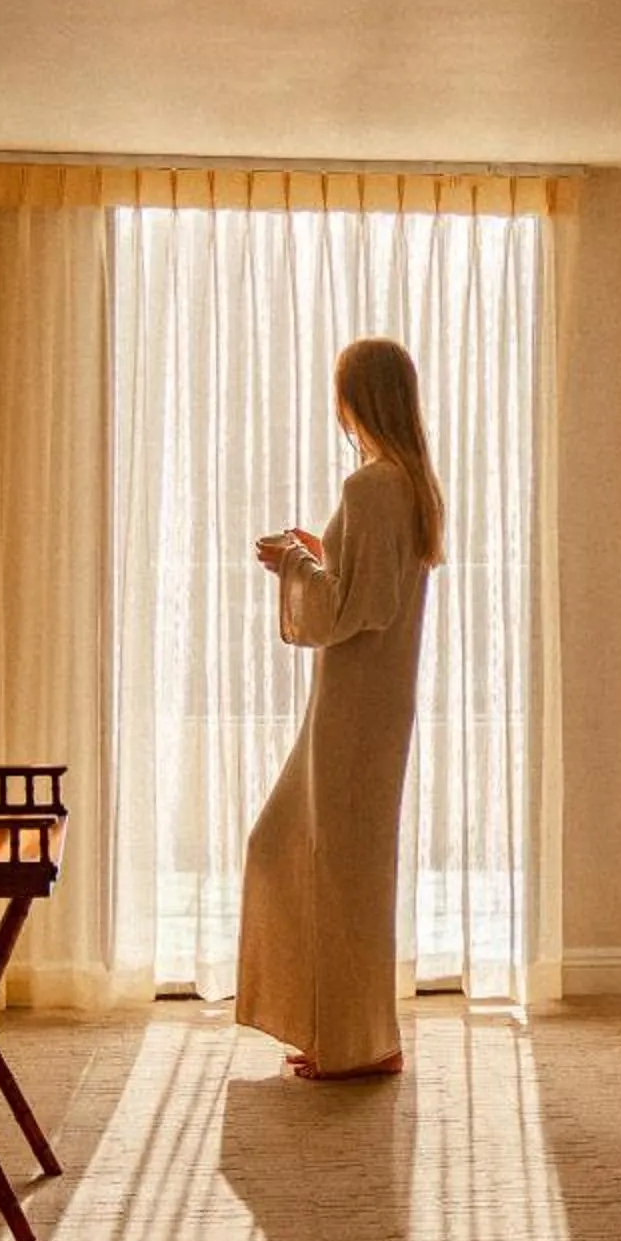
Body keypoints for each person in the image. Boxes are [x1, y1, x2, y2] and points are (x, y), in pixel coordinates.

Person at [236, 338, 444, 1079]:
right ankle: (357, 1036)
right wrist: (317, 551)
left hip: (354, 704)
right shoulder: (410, 483)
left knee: (335, 868)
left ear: (356, 398)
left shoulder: (371, 486)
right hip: (374, 700)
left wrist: (292, 563)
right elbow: (373, 587)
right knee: (331, 862)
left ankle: (361, 1045)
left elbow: (356, 610)